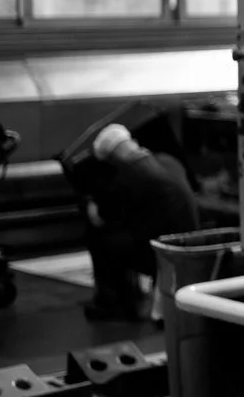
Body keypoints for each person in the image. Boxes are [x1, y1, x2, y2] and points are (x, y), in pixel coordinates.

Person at [82, 123, 199, 321]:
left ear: (113, 157)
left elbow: (101, 218)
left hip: (157, 252)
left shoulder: (126, 176)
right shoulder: (168, 160)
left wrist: (92, 205)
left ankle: (113, 303)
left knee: (99, 240)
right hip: (189, 243)